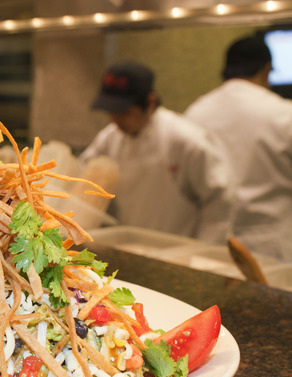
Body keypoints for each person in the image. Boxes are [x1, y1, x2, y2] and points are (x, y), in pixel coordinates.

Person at [79, 61, 234, 243]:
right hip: (131, 244)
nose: (116, 119)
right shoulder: (110, 138)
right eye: (112, 112)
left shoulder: (185, 140)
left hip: (180, 250)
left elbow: (219, 199)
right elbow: (83, 175)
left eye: (124, 112)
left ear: (150, 102)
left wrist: (203, 252)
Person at [185, 36, 292, 262]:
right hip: (272, 244)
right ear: (267, 69)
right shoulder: (283, 114)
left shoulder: (196, 111)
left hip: (212, 242)